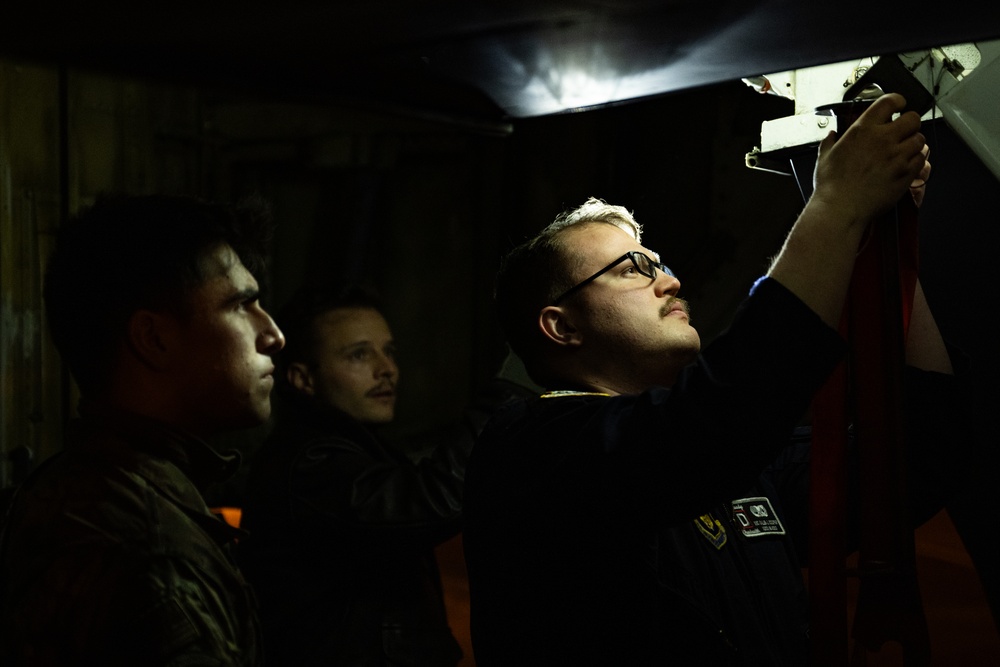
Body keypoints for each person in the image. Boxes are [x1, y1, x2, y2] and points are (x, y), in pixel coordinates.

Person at [462, 93, 961, 665]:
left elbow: (920, 453)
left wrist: (884, 239)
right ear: (562, 325)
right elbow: (727, 409)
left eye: (662, 264)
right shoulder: (533, 452)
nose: (670, 282)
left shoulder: (736, 462)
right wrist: (838, 205)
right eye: (632, 269)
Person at [0, 194, 285, 665]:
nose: (273, 333)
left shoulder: (77, 488)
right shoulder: (152, 550)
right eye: (242, 304)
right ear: (153, 339)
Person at [238, 284, 528, 666]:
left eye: (389, 352)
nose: (386, 369)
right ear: (302, 379)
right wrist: (515, 384)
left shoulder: (351, 453)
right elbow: (429, 500)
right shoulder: (308, 464)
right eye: (359, 354)